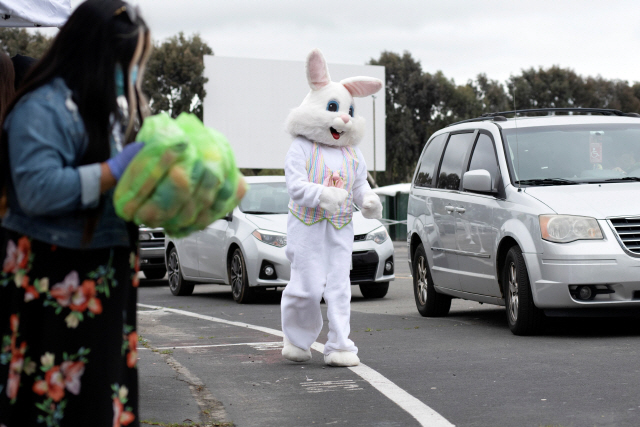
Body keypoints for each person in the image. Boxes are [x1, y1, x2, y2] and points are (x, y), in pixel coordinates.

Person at [0, 2, 151, 426]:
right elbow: (36, 190)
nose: (129, 73)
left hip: (100, 281)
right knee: (56, 409)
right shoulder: (43, 107)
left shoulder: (99, 108)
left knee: (99, 402)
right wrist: (113, 171)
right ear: (96, 54)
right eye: (125, 62)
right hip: (56, 282)